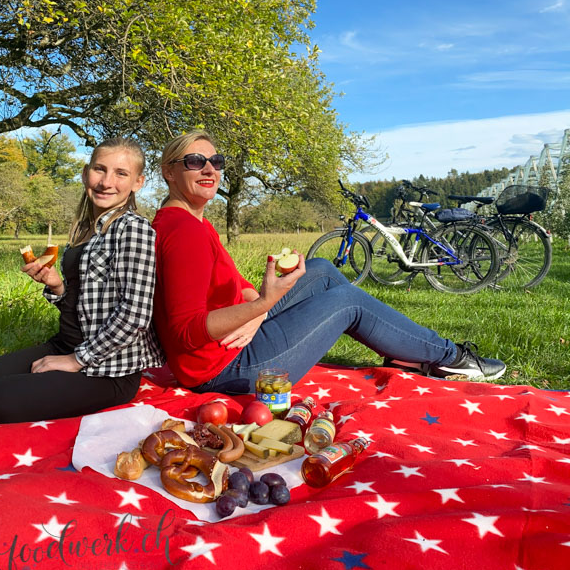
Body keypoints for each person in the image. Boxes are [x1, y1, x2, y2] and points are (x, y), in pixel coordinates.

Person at [151, 130, 506, 396]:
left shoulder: (194, 221)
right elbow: (186, 331)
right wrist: (264, 302)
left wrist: (258, 311)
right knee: (347, 301)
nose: (209, 169)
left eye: (216, 162)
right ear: (169, 172)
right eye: (195, 162)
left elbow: (234, 285)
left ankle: (406, 354)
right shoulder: (184, 232)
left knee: (320, 270)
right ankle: (450, 357)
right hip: (223, 370)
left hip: (232, 339)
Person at [0, 138, 165, 425]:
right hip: (64, 344)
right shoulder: (85, 229)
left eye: (121, 173)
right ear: (85, 173)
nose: (106, 182)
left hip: (107, 370)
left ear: (137, 182)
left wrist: (76, 361)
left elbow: (135, 314)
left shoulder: (133, 229)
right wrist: (58, 287)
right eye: (99, 170)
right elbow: (84, 302)